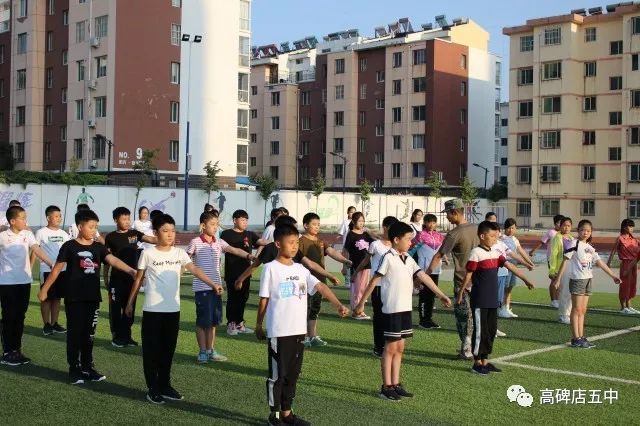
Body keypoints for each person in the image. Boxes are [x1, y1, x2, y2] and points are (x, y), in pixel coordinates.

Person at [255, 223, 348, 425]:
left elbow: (320, 285)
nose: (295, 246)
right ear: (278, 244)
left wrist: (338, 304)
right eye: (291, 243)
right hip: (279, 331)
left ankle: (287, 413)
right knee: (277, 376)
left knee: (292, 375)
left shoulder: (300, 269)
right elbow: (264, 299)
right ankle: (275, 415)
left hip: (298, 331)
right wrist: (259, 325)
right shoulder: (270, 268)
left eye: (297, 242)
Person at [125, 213, 223, 404]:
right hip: (152, 311)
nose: (170, 234)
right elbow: (138, 280)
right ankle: (152, 388)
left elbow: (194, 269)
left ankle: (165, 385)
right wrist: (130, 302)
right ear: (156, 232)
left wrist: (212, 284)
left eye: (173, 230)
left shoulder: (179, 253)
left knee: (168, 350)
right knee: (152, 350)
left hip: (173, 311)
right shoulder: (148, 253)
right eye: (165, 231)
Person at [355, 221, 451, 400]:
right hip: (391, 309)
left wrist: (441, 294)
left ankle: (396, 383)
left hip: (405, 309)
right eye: (408, 239)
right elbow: (374, 279)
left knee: (400, 347)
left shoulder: (408, 258)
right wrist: (361, 303)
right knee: (390, 348)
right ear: (396, 239)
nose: (411, 243)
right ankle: (386, 386)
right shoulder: (388, 257)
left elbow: (422, 276)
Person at [39, 209, 136, 384]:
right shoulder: (69, 246)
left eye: (96, 227)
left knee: (89, 335)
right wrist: (44, 289)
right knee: (75, 334)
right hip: (74, 297)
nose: (94, 230)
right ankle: (74, 369)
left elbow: (112, 260)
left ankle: (87, 367)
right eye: (91, 227)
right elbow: (56, 269)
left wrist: (130, 270)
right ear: (80, 226)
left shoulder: (98, 247)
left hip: (93, 297)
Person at [457, 221, 534, 375]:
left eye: (496, 236)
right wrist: (461, 292)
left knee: (491, 330)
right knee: (480, 331)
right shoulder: (476, 253)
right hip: (480, 299)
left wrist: (525, 279)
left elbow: (510, 266)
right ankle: (476, 363)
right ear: (482, 236)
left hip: (492, 299)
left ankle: (485, 361)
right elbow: (469, 274)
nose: (495, 239)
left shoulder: (496, 253)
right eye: (492, 236)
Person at [186, 211, 256, 363]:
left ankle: (210, 350)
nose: (215, 227)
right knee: (202, 322)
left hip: (217, 288)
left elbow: (233, 250)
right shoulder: (195, 242)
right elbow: (185, 259)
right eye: (212, 224)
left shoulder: (219, 242)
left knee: (213, 322)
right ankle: (202, 351)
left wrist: (249, 256)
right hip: (202, 288)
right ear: (203, 226)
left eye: (217, 224)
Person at [552, 220, 621, 348]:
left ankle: (581, 337)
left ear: (591, 232)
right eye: (583, 230)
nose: (585, 233)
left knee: (583, 310)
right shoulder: (574, 243)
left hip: (588, 279)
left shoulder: (589, 247)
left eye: (588, 231)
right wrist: (558, 279)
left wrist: (613, 276)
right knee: (576, 309)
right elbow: (565, 261)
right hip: (577, 279)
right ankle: (575, 338)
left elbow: (600, 262)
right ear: (578, 231)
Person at [1, 206, 54, 366]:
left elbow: (36, 249)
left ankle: (17, 350)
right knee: (9, 317)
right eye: (23, 218)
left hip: (24, 282)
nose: (26, 221)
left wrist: (51, 263)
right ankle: (7, 352)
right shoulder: (3, 236)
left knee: (20, 316)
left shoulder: (28, 234)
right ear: (12, 221)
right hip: (6, 283)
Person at [234, 215, 341, 293]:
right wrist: (240, 279)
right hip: (278, 289)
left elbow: (310, 264)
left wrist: (329, 275)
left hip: (293, 288)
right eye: (293, 228)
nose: (295, 232)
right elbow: (254, 266)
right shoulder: (271, 248)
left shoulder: (293, 248)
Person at [427, 199, 478, 360]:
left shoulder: (455, 234)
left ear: (455, 212)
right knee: (476, 315)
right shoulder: (477, 228)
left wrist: (426, 275)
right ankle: (475, 348)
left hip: (462, 280)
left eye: (448, 214)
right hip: (480, 280)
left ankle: (467, 349)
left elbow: (439, 256)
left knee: (463, 316)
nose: (447, 217)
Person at [104, 207, 157, 347]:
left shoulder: (134, 234)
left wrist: (164, 238)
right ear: (116, 220)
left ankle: (127, 336)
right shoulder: (110, 237)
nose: (127, 222)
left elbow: (150, 239)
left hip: (132, 280)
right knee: (115, 309)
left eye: (128, 218)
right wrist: (105, 279)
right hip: (116, 279)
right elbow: (107, 260)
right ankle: (117, 337)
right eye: (124, 219)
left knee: (130, 309)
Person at [299, 212, 352, 347]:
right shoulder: (300, 242)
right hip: (304, 281)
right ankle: (303, 336)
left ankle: (312, 336)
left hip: (320, 280)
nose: (317, 227)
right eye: (314, 224)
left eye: (318, 224)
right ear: (305, 225)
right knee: (304, 308)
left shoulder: (320, 241)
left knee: (315, 308)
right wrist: (330, 275)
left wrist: (345, 260)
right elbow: (307, 263)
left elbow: (332, 252)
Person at [220, 209, 268, 336]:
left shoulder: (250, 234)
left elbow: (261, 242)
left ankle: (240, 323)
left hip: (246, 272)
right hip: (232, 272)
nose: (245, 222)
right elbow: (230, 250)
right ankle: (231, 323)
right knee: (233, 298)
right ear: (235, 220)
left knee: (243, 298)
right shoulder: (226, 234)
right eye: (242, 219)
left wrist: (277, 242)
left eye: (246, 220)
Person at [355, 216, 398, 357]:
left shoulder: (397, 245)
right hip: (377, 286)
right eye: (391, 227)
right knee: (379, 317)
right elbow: (365, 261)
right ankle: (378, 347)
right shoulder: (375, 245)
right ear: (385, 227)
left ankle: (389, 346)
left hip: (392, 286)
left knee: (391, 317)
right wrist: (355, 272)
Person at [34, 205, 70, 336]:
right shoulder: (41, 232)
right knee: (46, 298)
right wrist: (47, 262)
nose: (59, 218)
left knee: (57, 298)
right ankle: (46, 324)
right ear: (48, 218)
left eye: (60, 216)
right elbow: (35, 249)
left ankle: (54, 323)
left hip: (62, 270)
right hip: (46, 270)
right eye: (56, 216)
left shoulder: (63, 234)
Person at [415, 214, 448, 329]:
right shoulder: (420, 235)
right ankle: (423, 320)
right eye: (429, 222)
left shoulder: (439, 236)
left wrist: (445, 259)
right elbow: (413, 250)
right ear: (425, 222)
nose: (431, 225)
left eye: (433, 222)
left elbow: (441, 250)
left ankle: (429, 319)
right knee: (424, 295)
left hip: (435, 270)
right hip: (424, 271)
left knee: (432, 294)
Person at [497, 218, 535, 318]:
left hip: (514, 266)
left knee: (510, 288)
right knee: (504, 288)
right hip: (505, 266)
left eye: (513, 228)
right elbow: (510, 253)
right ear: (505, 228)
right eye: (508, 228)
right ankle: (500, 309)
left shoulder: (514, 239)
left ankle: (506, 308)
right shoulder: (501, 238)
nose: (511, 230)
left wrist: (530, 262)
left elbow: (521, 251)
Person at [344, 212, 375, 319]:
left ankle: (360, 310)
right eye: (359, 221)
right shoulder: (351, 234)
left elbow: (375, 243)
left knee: (364, 288)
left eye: (363, 221)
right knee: (357, 288)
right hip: (356, 265)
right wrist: (345, 265)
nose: (361, 223)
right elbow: (346, 250)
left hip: (367, 265)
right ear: (353, 221)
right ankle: (356, 311)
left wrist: (370, 232)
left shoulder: (365, 234)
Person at [529, 214, 564, 307]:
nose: (562, 225)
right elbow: (541, 242)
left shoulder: (564, 234)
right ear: (556, 223)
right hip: (552, 259)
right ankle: (554, 301)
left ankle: (558, 299)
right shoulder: (551, 232)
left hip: (561, 260)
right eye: (560, 223)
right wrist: (533, 250)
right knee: (554, 279)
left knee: (559, 279)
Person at [608, 219, 640, 314]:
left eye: (632, 226)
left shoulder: (635, 240)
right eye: (629, 226)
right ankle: (623, 308)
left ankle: (629, 306)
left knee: (632, 285)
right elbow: (613, 251)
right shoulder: (620, 239)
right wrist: (608, 263)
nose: (631, 228)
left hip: (634, 264)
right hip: (625, 264)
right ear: (624, 228)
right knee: (624, 285)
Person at [549, 217, 574, 324]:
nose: (566, 227)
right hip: (561, 268)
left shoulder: (572, 238)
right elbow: (553, 255)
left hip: (571, 269)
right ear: (560, 226)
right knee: (564, 292)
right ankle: (563, 315)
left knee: (570, 292)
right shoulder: (557, 237)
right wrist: (552, 270)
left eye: (568, 226)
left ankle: (567, 313)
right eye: (564, 225)